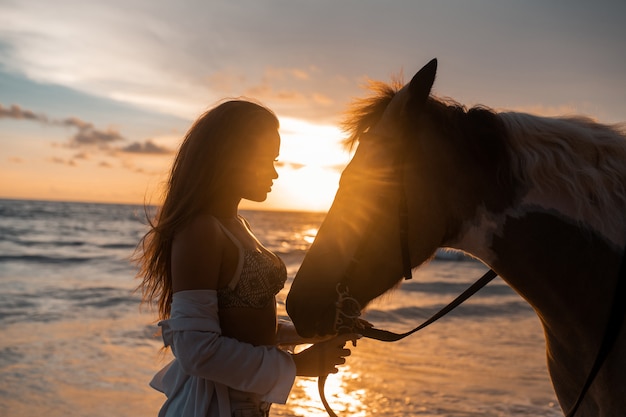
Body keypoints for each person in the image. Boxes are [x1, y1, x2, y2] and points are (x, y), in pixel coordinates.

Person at [135, 99, 357, 417]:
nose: (275, 173)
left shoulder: (238, 226)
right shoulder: (201, 230)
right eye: (266, 160)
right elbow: (196, 351)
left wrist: (313, 332)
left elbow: (242, 328)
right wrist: (298, 365)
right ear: (232, 158)